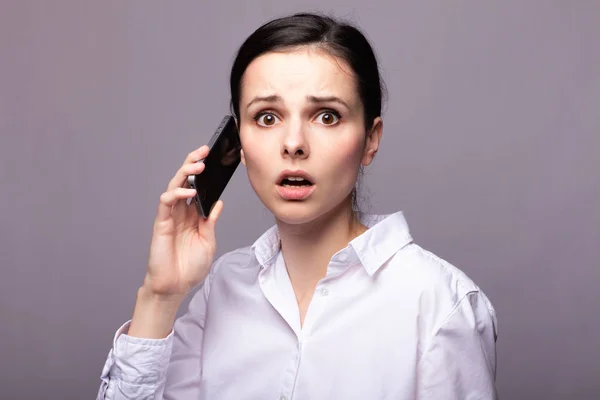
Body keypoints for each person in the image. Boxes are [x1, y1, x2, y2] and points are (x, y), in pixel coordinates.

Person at [97, 12, 498, 400]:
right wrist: (159, 295)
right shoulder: (223, 288)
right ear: (238, 145)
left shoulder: (439, 303)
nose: (293, 143)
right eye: (267, 117)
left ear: (370, 139)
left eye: (326, 116)